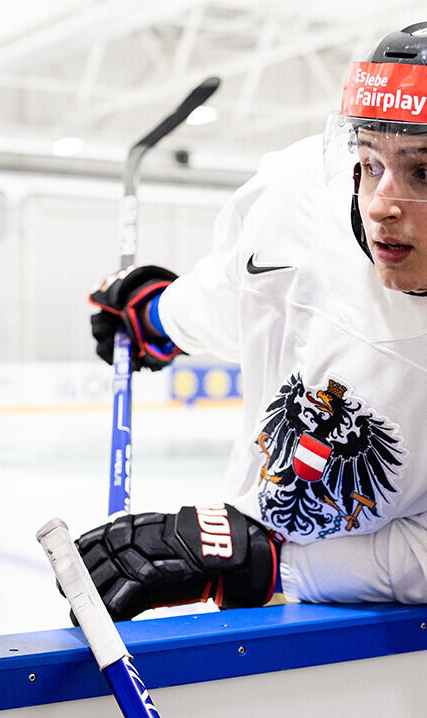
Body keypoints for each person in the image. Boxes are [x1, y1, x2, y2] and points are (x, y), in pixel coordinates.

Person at [80, 22, 427, 622]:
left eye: (424, 171)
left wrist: (270, 564)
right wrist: (157, 315)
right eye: (370, 162)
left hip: (382, 640)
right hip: (254, 608)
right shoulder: (300, 194)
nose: (380, 205)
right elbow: (240, 295)